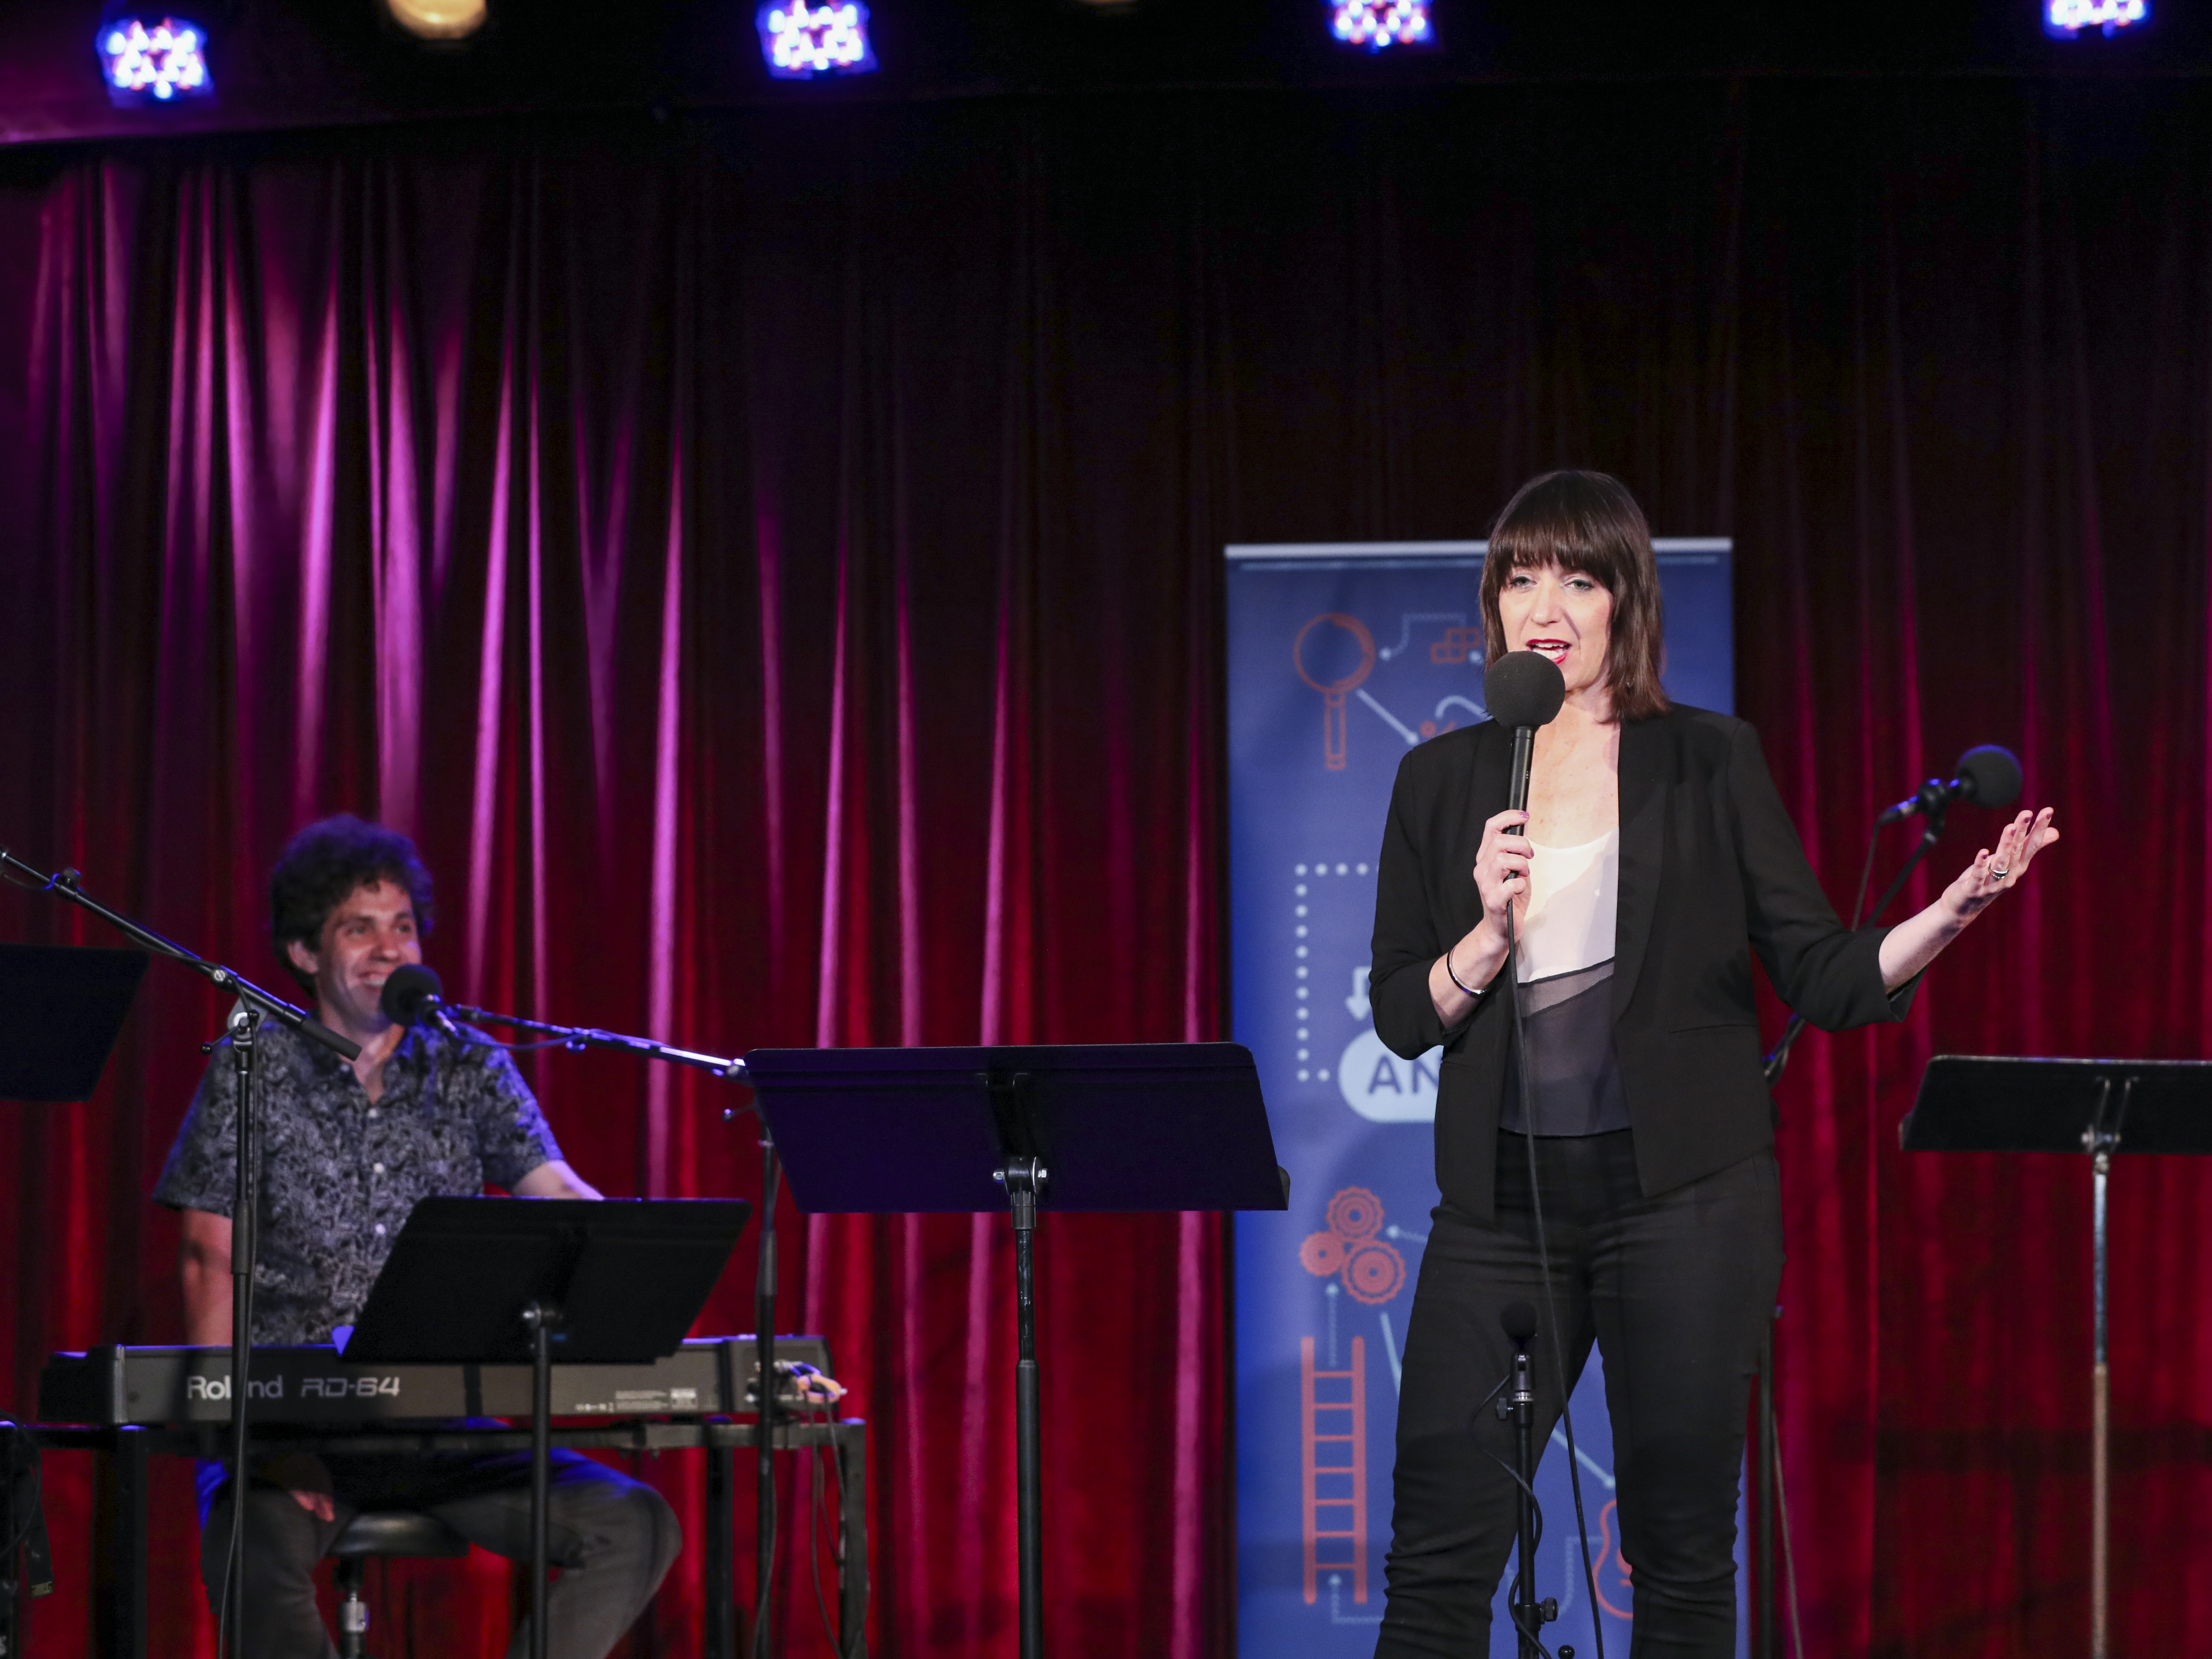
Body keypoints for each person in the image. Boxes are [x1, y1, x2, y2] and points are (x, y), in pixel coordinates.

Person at [1366, 472, 2059, 1657]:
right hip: (1498, 1211)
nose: (1548, 603)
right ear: (1494, 603)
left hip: (1684, 1202)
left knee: (1682, 1555)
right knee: (1438, 1557)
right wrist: (1485, 934)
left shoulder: (1705, 759)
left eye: (1580, 577)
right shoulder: (1442, 779)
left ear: (1624, 601)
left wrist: (1950, 909)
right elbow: (1399, 1015)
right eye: (1523, 575)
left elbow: (1826, 976)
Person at [154, 815, 681, 1659]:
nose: (387, 948)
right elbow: (206, 1255)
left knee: (634, 1523)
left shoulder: (469, 1063)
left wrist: (643, 1267)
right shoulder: (250, 1065)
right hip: (289, 1424)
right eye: (357, 928)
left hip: (435, 1423)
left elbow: (558, 1192)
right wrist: (245, 1440)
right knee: (252, 1555)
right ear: (302, 953)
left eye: (402, 926)